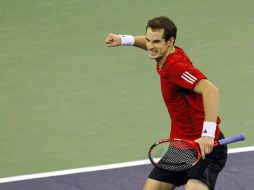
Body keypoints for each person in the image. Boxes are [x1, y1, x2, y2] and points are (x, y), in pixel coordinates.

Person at [105, 16, 227, 190]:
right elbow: (149, 44)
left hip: (206, 147)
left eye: (156, 42)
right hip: (183, 145)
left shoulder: (176, 67)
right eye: (148, 40)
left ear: (170, 41)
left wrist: (208, 133)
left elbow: (211, 91)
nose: (150, 46)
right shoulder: (166, 55)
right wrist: (124, 40)